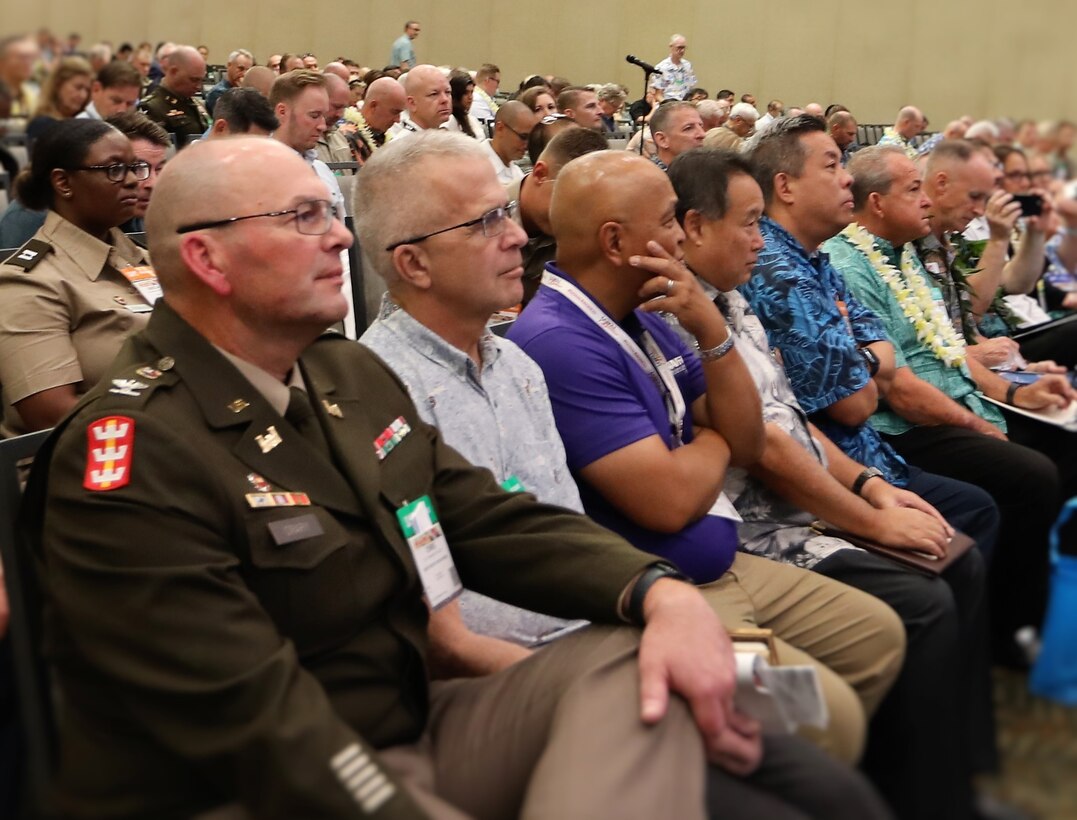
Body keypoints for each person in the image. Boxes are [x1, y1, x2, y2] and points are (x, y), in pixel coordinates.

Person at [28, 131, 763, 820]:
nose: (343, 238)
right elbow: (250, 718)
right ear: (207, 260)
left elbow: (484, 515)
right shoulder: (132, 452)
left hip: (409, 722)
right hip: (248, 784)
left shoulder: (340, 372)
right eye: (304, 217)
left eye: (331, 214)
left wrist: (655, 589)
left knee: (636, 659)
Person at [358, 130, 892, 820]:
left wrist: (711, 338)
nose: (518, 235)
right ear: (413, 263)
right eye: (486, 222)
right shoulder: (386, 392)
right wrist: (610, 676)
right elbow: (448, 637)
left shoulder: (518, 364)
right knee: (813, 743)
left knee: (838, 729)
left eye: (507, 213)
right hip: (540, 674)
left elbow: (732, 444)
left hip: (632, 620)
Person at [509, 150, 908, 767]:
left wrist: (712, 333)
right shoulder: (558, 341)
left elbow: (745, 442)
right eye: (669, 220)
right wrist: (716, 435)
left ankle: (817, 784)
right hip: (669, 589)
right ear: (615, 242)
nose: (679, 237)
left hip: (724, 562)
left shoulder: (648, 311)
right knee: (823, 715)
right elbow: (669, 502)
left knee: (879, 636)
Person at [669, 145, 999, 820]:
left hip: (800, 500)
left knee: (954, 555)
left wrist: (870, 487)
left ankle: (949, 779)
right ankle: (921, 794)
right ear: (694, 227)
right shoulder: (683, 316)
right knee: (926, 596)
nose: (760, 240)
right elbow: (774, 442)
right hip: (755, 531)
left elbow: (790, 418)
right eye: (749, 223)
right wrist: (870, 519)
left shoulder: (730, 297)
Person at [0, 119, 152, 438]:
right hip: (97, 453)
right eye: (114, 169)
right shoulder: (28, 282)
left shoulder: (145, 258)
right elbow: (50, 415)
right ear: (63, 182)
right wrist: (176, 425)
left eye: (134, 167)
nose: (131, 181)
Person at [139, 44, 209, 147]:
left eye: (201, 80)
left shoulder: (195, 103)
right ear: (173, 71)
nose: (199, 87)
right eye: (194, 80)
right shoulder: (151, 107)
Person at [25, 55, 93, 143]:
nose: (83, 95)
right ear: (58, 85)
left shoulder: (86, 124)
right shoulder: (42, 125)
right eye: (78, 87)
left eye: (87, 90)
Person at [482, 100, 533, 184]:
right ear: (500, 128)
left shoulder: (517, 173)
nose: (527, 145)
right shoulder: (473, 164)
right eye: (523, 137)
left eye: (530, 139)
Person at [76, 59, 141, 120]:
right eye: (116, 101)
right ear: (96, 89)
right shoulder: (78, 126)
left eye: (130, 104)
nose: (122, 110)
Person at [204, 48, 253, 116]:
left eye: (247, 70)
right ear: (229, 65)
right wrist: (243, 90)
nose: (244, 74)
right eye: (240, 68)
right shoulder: (217, 93)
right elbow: (234, 119)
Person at [651, 34, 696, 101]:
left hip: (685, 103)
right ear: (671, 47)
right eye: (679, 47)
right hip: (668, 103)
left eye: (684, 48)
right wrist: (667, 104)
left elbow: (691, 88)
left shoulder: (688, 65)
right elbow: (658, 95)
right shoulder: (661, 68)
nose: (682, 50)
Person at [444, 71, 483, 139]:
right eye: (466, 93)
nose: (470, 97)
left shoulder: (472, 119)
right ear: (456, 94)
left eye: (471, 92)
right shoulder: (448, 121)